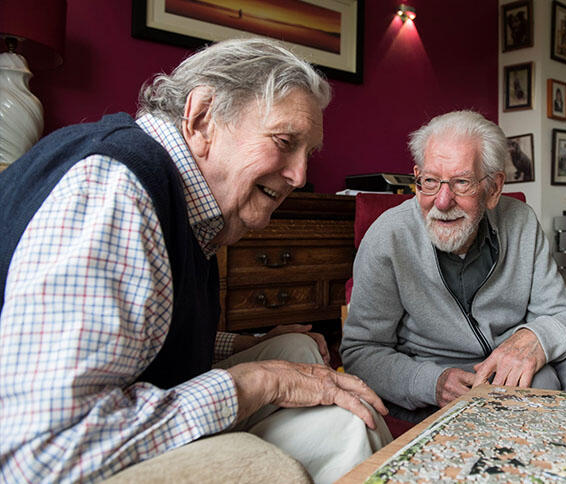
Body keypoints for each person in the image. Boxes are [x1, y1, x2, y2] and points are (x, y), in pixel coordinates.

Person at [0, 37, 391, 483]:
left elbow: (139, 329)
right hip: (46, 455)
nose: (299, 176)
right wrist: (262, 380)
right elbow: (42, 452)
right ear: (202, 118)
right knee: (342, 427)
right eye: (285, 141)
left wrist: (242, 347)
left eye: (308, 155)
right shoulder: (117, 191)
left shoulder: (182, 198)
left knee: (296, 351)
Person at [341, 110, 566, 423]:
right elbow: (361, 352)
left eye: (462, 182)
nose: (443, 201)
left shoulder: (521, 220)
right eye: (431, 182)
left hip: (519, 356)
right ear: (417, 176)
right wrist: (431, 383)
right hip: (436, 372)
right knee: (537, 386)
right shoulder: (388, 235)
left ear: (493, 188)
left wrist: (535, 340)